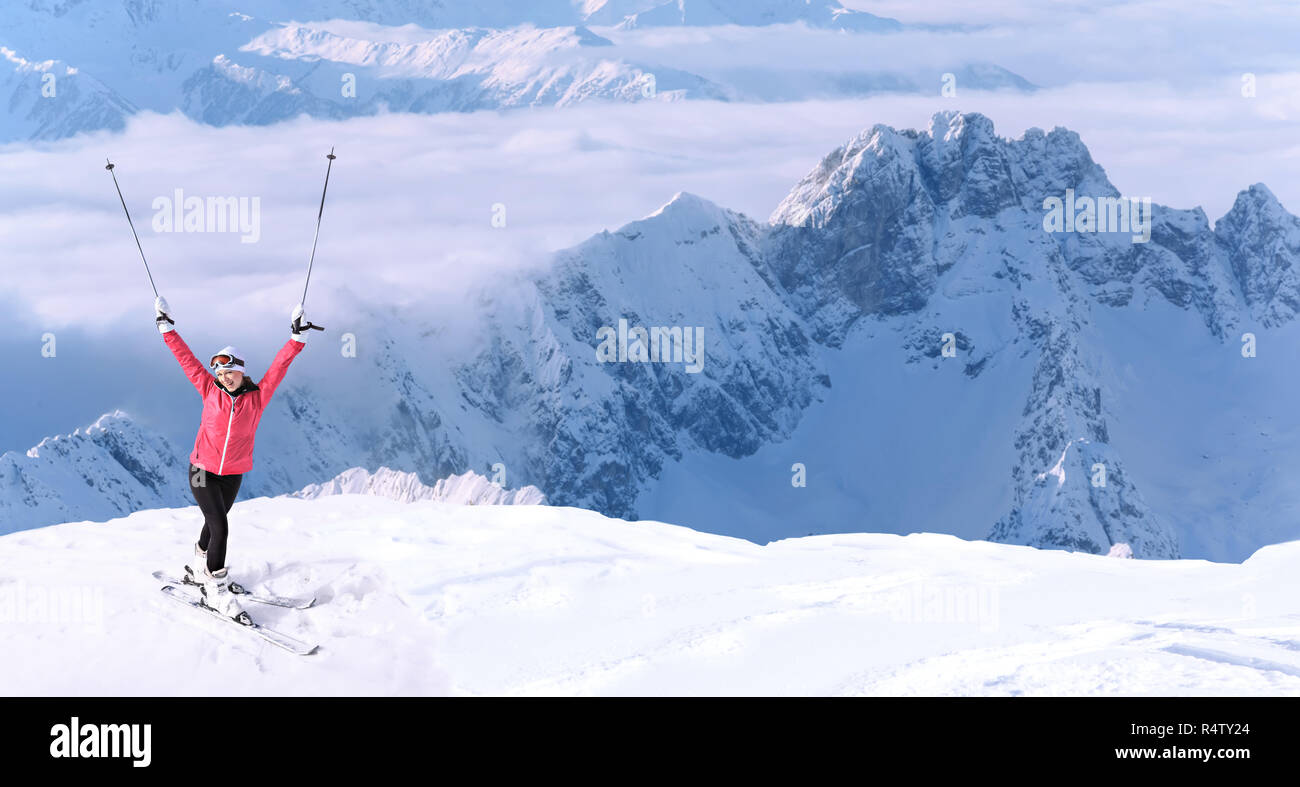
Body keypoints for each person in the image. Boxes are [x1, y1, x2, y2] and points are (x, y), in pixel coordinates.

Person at [155, 295, 309, 622]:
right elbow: (186, 360)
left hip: (233, 472)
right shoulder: (209, 390)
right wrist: (167, 328)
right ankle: (216, 591)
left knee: (215, 522)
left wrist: (296, 339)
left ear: (240, 372)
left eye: (230, 372)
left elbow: (278, 368)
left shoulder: (257, 398)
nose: (225, 377)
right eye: (221, 373)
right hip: (201, 470)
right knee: (220, 526)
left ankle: (201, 567)